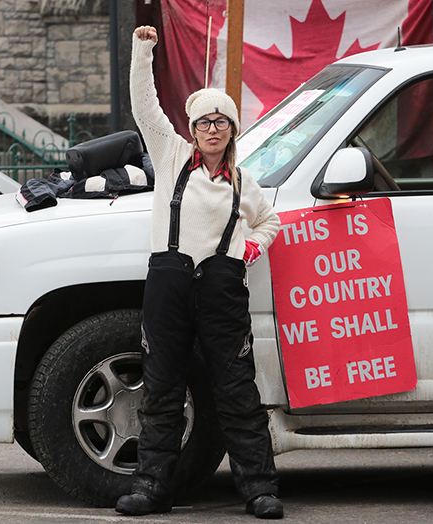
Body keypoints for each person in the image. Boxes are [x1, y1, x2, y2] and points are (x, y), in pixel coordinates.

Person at [115, 25, 283, 520]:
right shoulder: (170, 157)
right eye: (205, 122)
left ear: (232, 130)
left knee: (237, 390)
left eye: (222, 122)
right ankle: (151, 488)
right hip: (168, 286)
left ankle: (259, 488)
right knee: (163, 388)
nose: (213, 130)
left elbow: (269, 220)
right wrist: (143, 50)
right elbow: (144, 103)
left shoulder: (243, 182)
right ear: (193, 129)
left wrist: (250, 247)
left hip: (221, 290)